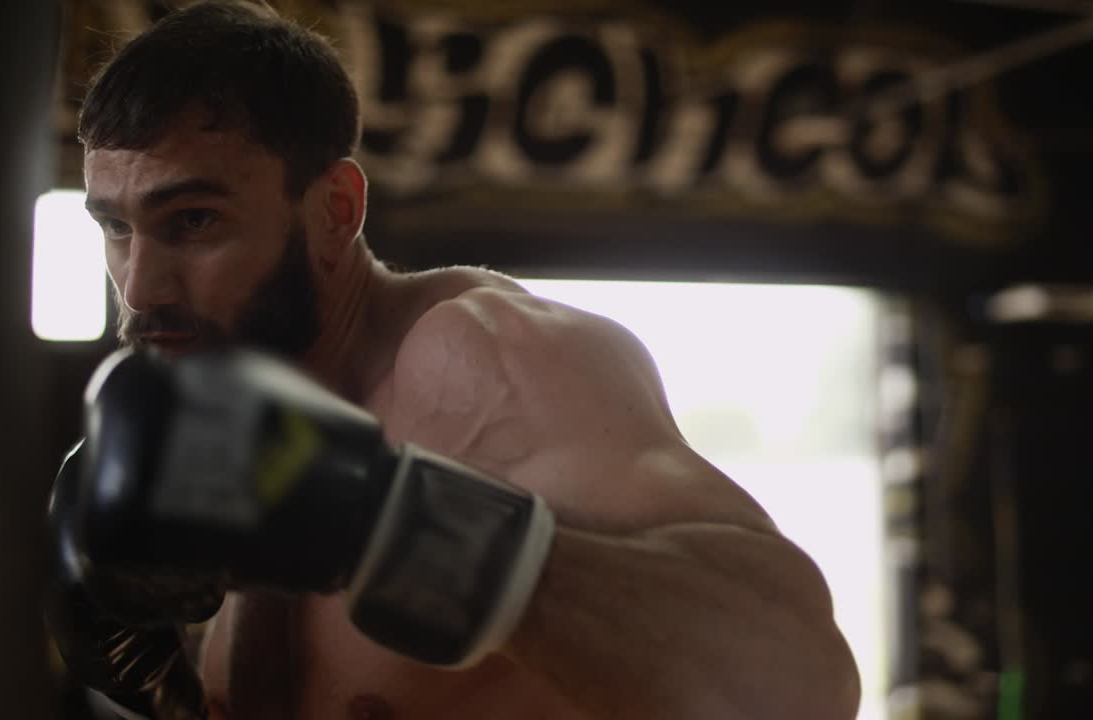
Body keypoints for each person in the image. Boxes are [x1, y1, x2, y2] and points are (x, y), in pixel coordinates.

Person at [61, 1, 861, 718]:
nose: (140, 287)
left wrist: (386, 523)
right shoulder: (221, 440)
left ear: (336, 210)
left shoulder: (483, 359)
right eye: (117, 228)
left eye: (194, 221)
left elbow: (802, 686)